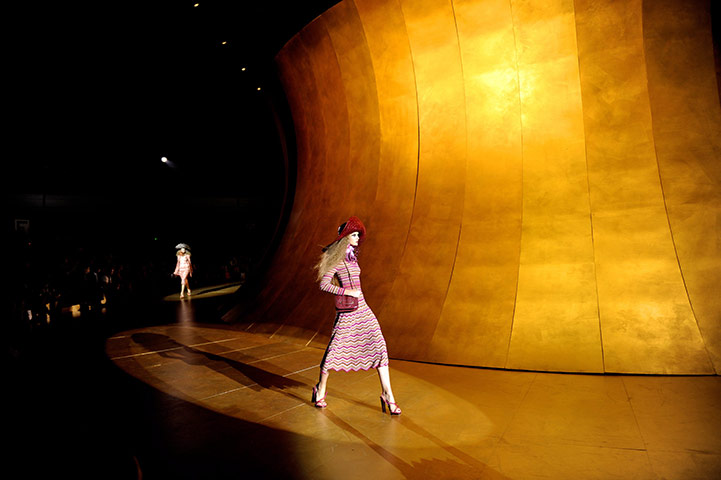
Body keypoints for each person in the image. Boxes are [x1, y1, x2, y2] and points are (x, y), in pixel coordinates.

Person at [312, 216, 401, 415]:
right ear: (345, 237)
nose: (358, 238)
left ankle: (388, 394)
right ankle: (321, 388)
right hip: (349, 312)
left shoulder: (352, 258)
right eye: (354, 235)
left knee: (379, 346)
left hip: (364, 309)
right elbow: (324, 284)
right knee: (334, 351)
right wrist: (347, 292)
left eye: (358, 235)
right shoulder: (337, 261)